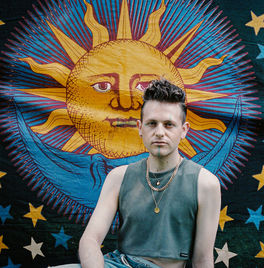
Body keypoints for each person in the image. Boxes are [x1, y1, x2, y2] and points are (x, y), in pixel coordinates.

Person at [78, 79, 221, 268]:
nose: (159, 132)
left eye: (169, 124)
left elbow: (202, 260)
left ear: (184, 130)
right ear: (140, 128)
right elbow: (90, 240)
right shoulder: (118, 177)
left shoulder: (205, 184)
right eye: (152, 123)